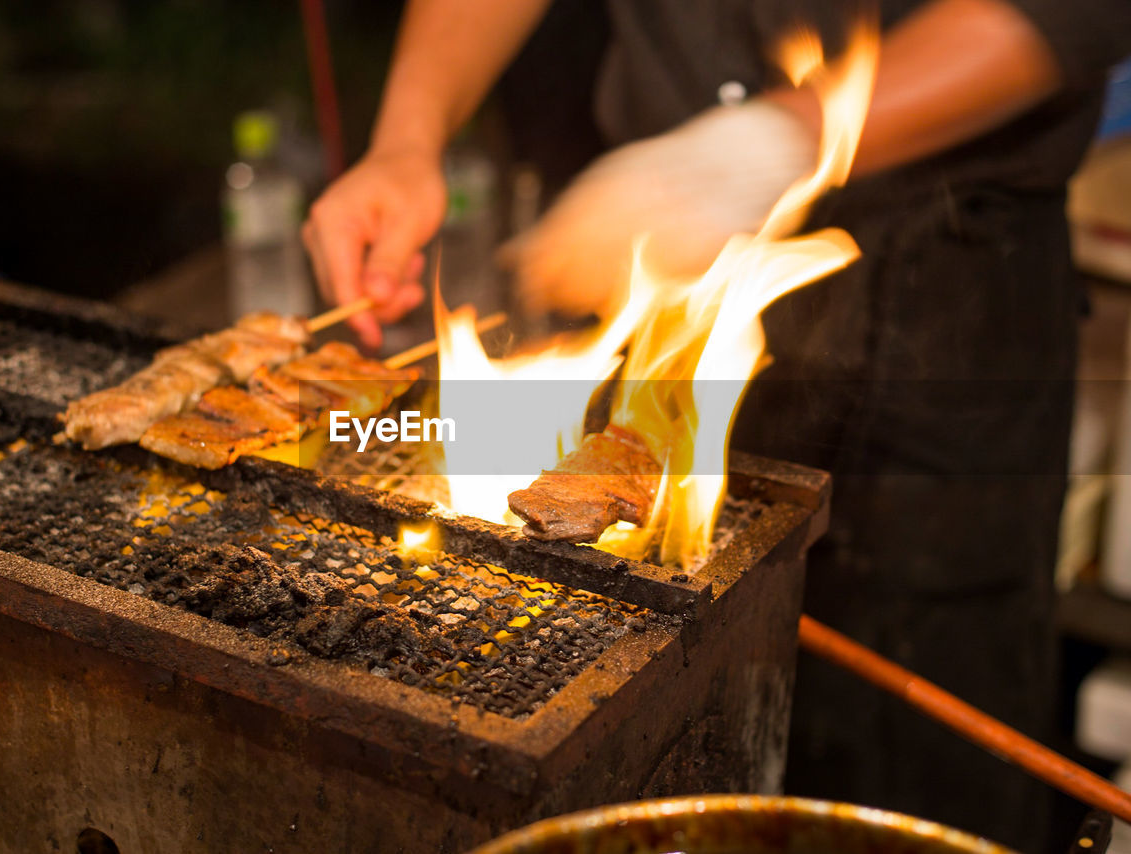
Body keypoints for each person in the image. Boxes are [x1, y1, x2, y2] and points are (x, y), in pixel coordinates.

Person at [301, 1, 1131, 849]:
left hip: (941, 296)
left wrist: (769, 146)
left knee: (912, 769)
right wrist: (408, 136)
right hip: (660, 255)